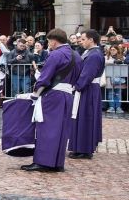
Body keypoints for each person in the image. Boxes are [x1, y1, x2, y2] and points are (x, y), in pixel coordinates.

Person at [21, 28, 81, 172]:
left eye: (48, 41)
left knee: (47, 128)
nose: (49, 44)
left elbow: (45, 77)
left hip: (53, 95)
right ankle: (57, 163)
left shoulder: (55, 55)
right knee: (61, 130)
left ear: (54, 41)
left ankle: (43, 162)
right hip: (68, 95)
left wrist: (35, 94)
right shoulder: (77, 55)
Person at [68, 30, 104, 159]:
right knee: (80, 117)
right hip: (86, 88)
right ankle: (79, 147)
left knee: (86, 117)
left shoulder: (94, 55)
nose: (80, 42)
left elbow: (87, 74)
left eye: (83, 39)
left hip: (88, 89)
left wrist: (77, 86)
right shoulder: (89, 52)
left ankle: (84, 149)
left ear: (91, 40)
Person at [105, 45, 125, 113]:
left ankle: (118, 107)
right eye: (111, 50)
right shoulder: (107, 57)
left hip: (119, 77)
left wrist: (121, 62)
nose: (112, 51)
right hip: (109, 78)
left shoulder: (122, 57)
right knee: (110, 92)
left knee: (118, 93)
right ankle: (111, 107)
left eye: (114, 49)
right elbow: (104, 62)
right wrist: (113, 62)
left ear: (117, 50)